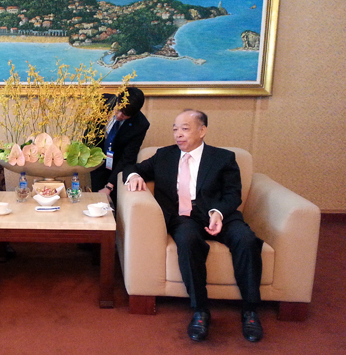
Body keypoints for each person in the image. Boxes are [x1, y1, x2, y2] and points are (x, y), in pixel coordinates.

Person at [123, 109, 264, 343]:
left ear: (202, 130)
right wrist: (134, 176)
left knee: (246, 240)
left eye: (185, 129)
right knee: (188, 242)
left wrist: (218, 212)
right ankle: (200, 310)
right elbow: (131, 167)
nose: (178, 134)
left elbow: (233, 194)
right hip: (183, 217)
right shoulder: (164, 155)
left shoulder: (223, 158)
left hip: (218, 213)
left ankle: (250, 310)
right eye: (175, 129)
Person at [90, 87, 150, 205]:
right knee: (96, 199)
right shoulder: (103, 101)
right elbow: (90, 131)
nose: (119, 116)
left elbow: (128, 157)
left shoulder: (140, 125)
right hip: (97, 160)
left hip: (118, 166)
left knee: (113, 203)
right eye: (118, 110)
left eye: (125, 115)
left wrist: (109, 186)